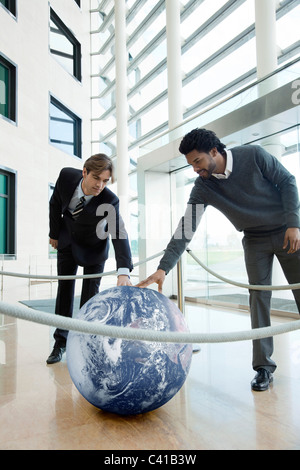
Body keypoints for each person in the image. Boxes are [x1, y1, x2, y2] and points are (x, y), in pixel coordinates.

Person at [137, 128, 300, 391]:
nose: (194, 169)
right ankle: (263, 368)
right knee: (258, 298)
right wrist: (163, 268)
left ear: (214, 152)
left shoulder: (254, 155)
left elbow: (288, 181)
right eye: (190, 164)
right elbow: (186, 228)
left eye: (197, 161)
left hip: (287, 232)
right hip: (255, 240)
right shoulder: (204, 186)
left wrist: (294, 224)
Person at [47, 153, 133, 364]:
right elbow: (54, 203)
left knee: (90, 298)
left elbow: (118, 232)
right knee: (64, 291)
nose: (100, 185)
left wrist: (123, 270)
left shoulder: (110, 200)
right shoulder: (67, 177)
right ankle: (60, 343)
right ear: (84, 172)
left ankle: (84, 343)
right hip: (67, 242)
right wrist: (54, 234)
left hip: (95, 248)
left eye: (105, 181)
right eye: (97, 178)